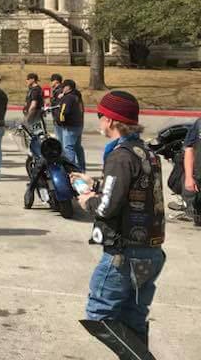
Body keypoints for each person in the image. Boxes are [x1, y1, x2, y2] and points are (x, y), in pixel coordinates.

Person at [72, 90, 165, 355]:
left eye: (100, 115)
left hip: (125, 253)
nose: (98, 120)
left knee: (98, 315)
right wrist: (97, 184)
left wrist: (88, 199)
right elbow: (136, 191)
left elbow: (106, 207)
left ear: (111, 120)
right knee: (132, 321)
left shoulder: (120, 155)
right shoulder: (145, 153)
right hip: (152, 249)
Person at [56, 79, 86, 172]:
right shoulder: (76, 96)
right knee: (77, 147)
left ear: (68, 87)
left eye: (63, 87)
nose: (62, 89)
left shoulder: (68, 98)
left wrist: (60, 122)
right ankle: (81, 168)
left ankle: (70, 171)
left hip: (70, 126)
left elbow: (64, 112)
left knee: (68, 148)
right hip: (78, 124)